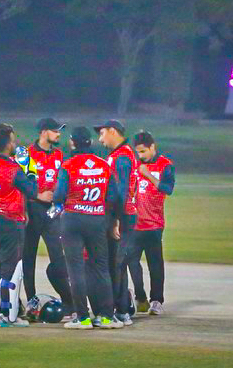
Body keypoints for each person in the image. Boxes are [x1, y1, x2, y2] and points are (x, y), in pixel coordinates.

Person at [0, 124, 53, 327]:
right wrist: (30, 169)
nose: (15, 143)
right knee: (9, 270)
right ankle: (5, 314)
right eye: (13, 140)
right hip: (9, 222)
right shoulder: (12, 169)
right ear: (7, 144)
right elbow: (32, 190)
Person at [52, 127, 124, 330]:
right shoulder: (103, 165)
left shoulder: (68, 165)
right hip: (97, 220)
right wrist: (110, 219)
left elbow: (59, 196)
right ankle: (107, 316)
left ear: (73, 143)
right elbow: (114, 197)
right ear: (90, 143)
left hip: (73, 220)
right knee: (101, 268)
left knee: (75, 269)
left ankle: (83, 318)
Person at [23, 118, 73, 316]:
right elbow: (21, 183)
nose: (59, 134)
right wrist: (37, 196)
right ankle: (31, 300)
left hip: (52, 212)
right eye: (55, 130)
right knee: (28, 257)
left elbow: (61, 182)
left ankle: (68, 301)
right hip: (32, 209)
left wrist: (59, 204)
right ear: (43, 132)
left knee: (59, 258)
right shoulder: (26, 154)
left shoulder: (58, 154)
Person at [94, 119, 139, 325]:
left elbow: (120, 193)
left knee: (115, 264)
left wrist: (115, 221)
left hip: (122, 216)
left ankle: (117, 311)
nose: (100, 139)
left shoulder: (121, 158)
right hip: (125, 214)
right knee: (118, 264)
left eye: (102, 133)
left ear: (113, 131)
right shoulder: (123, 154)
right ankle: (122, 309)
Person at [129, 130, 175, 315]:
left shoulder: (165, 165)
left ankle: (156, 300)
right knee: (131, 261)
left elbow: (168, 189)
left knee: (155, 264)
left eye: (143, 151)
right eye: (138, 152)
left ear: (152, 147)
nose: (140, 156)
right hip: (134, 224)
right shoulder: (135, 165)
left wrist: (148, 175)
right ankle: (140, 298)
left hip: (154, 224)